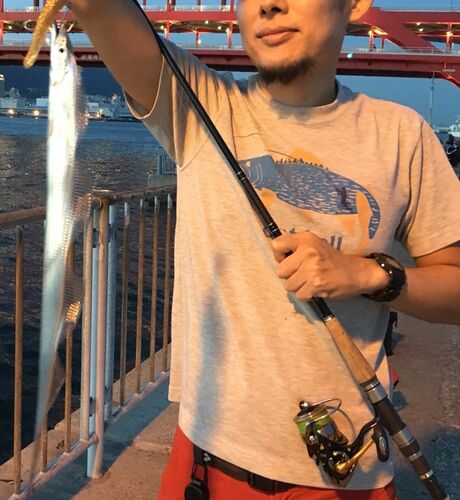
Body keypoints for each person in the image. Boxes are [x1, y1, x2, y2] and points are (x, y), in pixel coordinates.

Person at [71, 0, 460, 498]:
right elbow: (96, 8)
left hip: (348, 473)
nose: (269, 5)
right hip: (204, 466)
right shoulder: (199, 105)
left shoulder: (404, 134)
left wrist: (367, 274)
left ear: (357, 5)